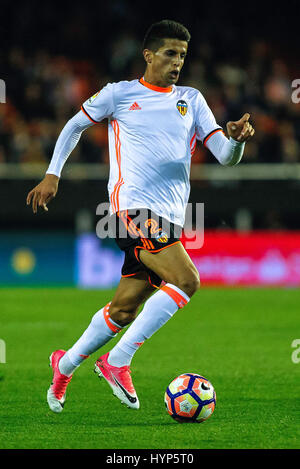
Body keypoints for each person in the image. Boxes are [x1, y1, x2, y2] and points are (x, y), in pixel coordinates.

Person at [26, 19, 255, 413]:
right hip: (129, 209)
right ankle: (118, 361)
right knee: (186, 280)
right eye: (169, 53)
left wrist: (234, 140)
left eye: (182, 55)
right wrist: (52, 173)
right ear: (148, 55)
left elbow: (225, 157)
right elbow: (74, 125)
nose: (177, 62)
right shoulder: (119, 94)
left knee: (123, 310)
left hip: (168, 218)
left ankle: (63, 365)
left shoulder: (191, 100)